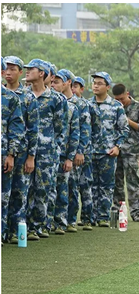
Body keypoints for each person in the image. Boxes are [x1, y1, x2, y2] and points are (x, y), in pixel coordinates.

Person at [24, 59, 67, 241]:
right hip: (25, 150)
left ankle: (39, 225)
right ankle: (22, 225)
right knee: (25, 189)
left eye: (30, 69)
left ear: (41, 73)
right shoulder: (23, 96)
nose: (27, 72)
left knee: (43, 189)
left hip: (47, 152)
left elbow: (60, 127)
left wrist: (53, 148)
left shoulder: (56, 99)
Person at [3, 56, 40, 244]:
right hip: (5, 151)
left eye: (13, 69)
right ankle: (3, 231)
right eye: (6, 68)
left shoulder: (28, 97)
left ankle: (17, 232)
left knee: (19, 193)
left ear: (19, 72)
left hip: (21, 153)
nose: (8, 72)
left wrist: (31, 156)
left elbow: (33, 128)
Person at [89, 72, 129, 227]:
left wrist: (117, 146)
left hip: (108, 152)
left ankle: (103, 216)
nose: (96, 86)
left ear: (107, 87)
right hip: (90, 152)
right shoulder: (87, 105)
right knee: (90, 185)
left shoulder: (116, 106)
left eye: (100, 83)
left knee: (106, 186)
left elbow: (123, 129)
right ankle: (90, 216)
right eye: (94, 83)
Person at [112, 83, 139, 222]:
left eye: (122, 99)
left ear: (127, 94)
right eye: (117, 99)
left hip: (131, 151)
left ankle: (136, 212)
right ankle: (117, 210)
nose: (120, 102)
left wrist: (127, 121)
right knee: (117, 182)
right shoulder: (112, 107)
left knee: (133, 182)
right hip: (116, 150)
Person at [50, 70, 80, 235]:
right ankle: (49, 222)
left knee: (65, 189)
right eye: (53, 82)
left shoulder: (73, 107)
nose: (54, 85)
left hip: (64, 154)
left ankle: (64, 221)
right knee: (49, 190)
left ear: (67, 82)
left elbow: (76, 133)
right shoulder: (49, 102)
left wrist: (71, 156)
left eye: (58, 82)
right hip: (48, 154)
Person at [1, 57, 25, 243]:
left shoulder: (10, 98)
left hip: (3, 155)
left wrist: (10, 154)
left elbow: (16, 129)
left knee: (3, 196)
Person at [71, 76, 95, 230]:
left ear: (81, 89)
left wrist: (82, 151)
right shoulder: (65, 102)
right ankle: (71, 219)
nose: (73, 89)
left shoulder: (83, 105)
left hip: (84, 152)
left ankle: (87, 218)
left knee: (85, 185)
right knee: (72, 186)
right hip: (71, 152)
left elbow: (86, 130)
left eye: (76, 86)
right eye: (72, 85)